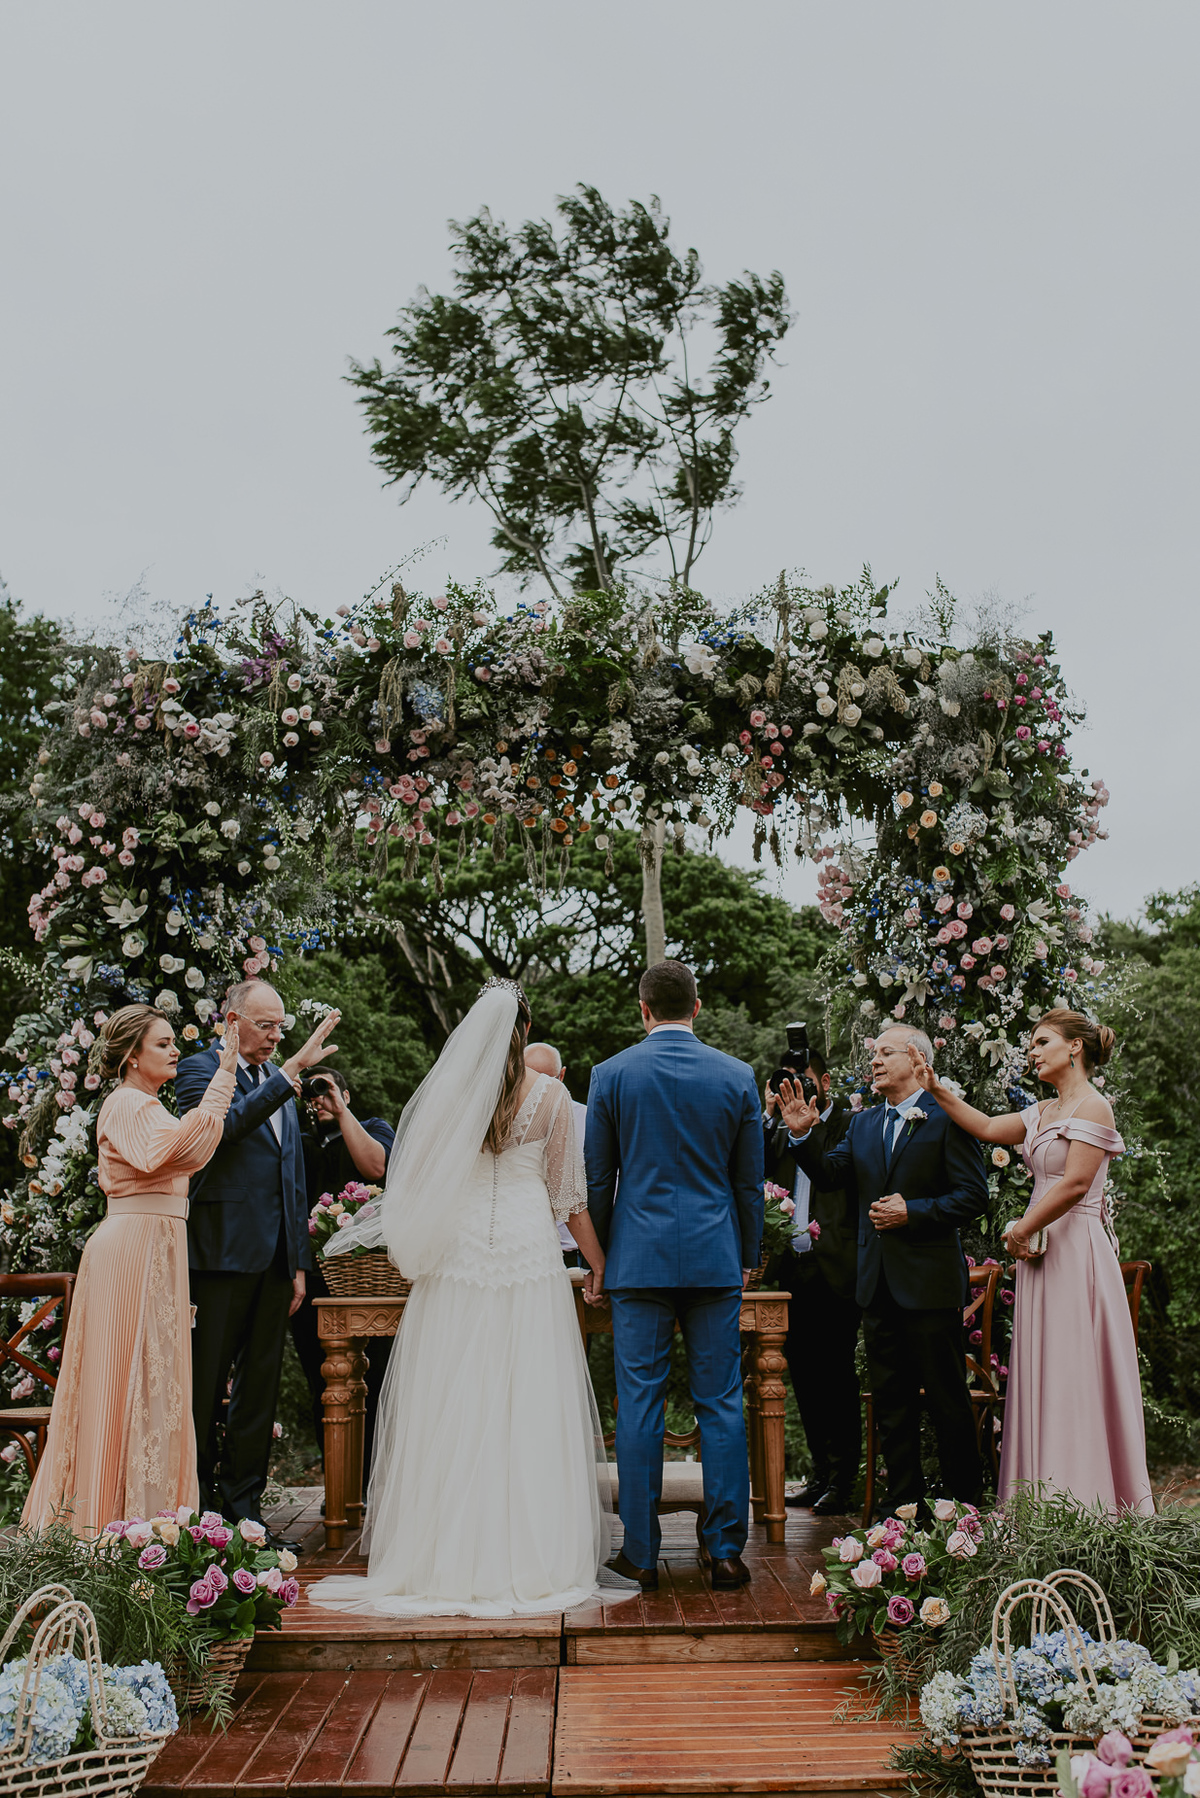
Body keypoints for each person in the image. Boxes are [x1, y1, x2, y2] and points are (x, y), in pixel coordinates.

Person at [309, 979, 637, 1617]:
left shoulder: (451, 1096)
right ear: (525, 1030)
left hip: (457, 1258)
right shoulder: (551, 1095)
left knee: (453, 1397)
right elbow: (570, 1199)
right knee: (526, 1400)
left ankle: (443, 1556)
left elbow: (412, 1180)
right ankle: (531, 1555)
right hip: (524, 1254)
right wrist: (601, 1268)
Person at [905, 1009, 1153, 1515]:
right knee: (1044, 1369)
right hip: (1041, 1255)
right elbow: (989, 1126)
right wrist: (936, 1088)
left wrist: (1021, 1227)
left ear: (1075, 1048)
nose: (1032, 1052)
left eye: (1042, 1042)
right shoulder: (1043, 1111)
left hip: (1077, 1250)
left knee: (1076, 1367)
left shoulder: (1094, 1107)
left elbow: (1076, 1183)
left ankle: (1088, 1503)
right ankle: (1038, 1503)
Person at [23, 1005, 240, 1536]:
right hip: (131, 1249)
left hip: (157, 1244)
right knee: (127, 1377)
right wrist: (226, 1073)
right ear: (131, 1056)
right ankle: (109, 1524)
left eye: (173, 1042)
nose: (173, 1051)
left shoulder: (147, 1104)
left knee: (154, 1377)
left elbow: (192, 1148)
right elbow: (176, 1150)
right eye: (162, 1043)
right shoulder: (126, 1105)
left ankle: (152, 1526)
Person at [586, 960, 764, 1592]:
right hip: (715, 1259)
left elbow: (598, 1181)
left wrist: (601, 1261)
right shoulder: (738, 1075)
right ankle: (725, 1553)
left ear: (643, 1008)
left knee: (639, 1406)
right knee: (721, 1403)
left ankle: (639, 1553)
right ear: (698, 1006)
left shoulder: (610, 1076)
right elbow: (748, 1183)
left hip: (638, 1262)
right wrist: (748, 1252)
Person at [779, 1025, 987, 1517]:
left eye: (885, 1052)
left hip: (929, 1285)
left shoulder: (947, 1116)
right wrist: (802, 1134)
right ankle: (902, 1512)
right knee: (891, 1407)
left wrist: (912, 1212)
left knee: (946, 1400)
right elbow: (830, 1175)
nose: (873, 1060)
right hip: (875, 1286)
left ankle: (966, 1510)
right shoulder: (864, 1124)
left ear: (918, 1060)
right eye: (873, 1053)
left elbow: (973, 1196)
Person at [175, 980, 339, 1542]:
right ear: (232, 1020)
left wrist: (296, 1262)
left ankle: (245, 1518)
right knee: (204, 1387)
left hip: (274, 1262)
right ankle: (195, 1519)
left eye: (280, 1027)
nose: (274, 1036)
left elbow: (290, 1175)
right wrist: (290, 1070)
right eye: (264, 1025)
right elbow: (217, 1134)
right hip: (219, 1255)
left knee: (258, 1390)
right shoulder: (199, 1070)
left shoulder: (279, 1080)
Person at [763, 1048, 860, 1515]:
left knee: (837, 1376)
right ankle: (820, 1472)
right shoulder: (779, 1126)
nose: (792, 1090)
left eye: (800, 1080)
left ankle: (844, 1480)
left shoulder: (846, 1124)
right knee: (801, 1374)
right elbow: (758, 1169)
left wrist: (810, 1126)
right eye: (785, 1081)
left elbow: (839, 1176)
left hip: (836, 1266)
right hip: (792, 1271)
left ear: (823, 1080)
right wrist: (768, 1118)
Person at [291, 1068, 397, 1470]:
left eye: (328, 1089)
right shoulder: (299, 1142)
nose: (319, 1099)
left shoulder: (372, 1127)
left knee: (377, 1379)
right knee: (321, 1384)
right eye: (313, 1093)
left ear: (347, 1094)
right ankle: (339, 1478)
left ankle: (374, 1477)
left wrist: (339, 1110)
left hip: (369, 1278)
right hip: (313, 1281)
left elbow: (375, 1168)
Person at [525, 1041, 587, 1266]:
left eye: (547, 1082)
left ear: (562, 1076)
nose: (539, 1091)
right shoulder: (504, 1125)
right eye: (530, 1080)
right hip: (523, 1249)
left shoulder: (589, 1120)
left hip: (576, 1253)